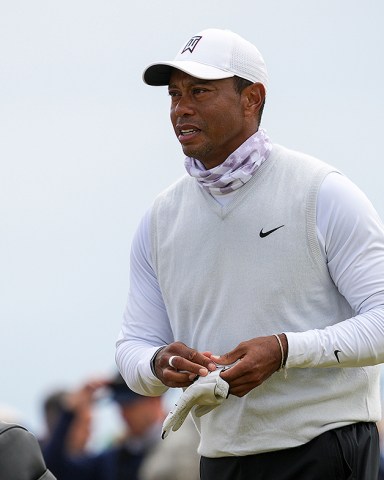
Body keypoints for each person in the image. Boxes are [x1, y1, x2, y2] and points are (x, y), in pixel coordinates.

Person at [115, 27, 384, 479]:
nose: (181, 108)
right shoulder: (160, 219)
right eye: (175, 94)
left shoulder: (322, 191)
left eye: (200, 91)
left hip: (326, 447)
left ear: (251, 99)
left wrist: (284, 350)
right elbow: (133, 347)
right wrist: (160, 363)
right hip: (220, 459)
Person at [41, 374, 169, 480]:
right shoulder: (114, 460)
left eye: (130, 405)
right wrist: (70, 410)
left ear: (155, 399)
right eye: (120, 406)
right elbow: (55, 469)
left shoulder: (183, 443)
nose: (124, 414)